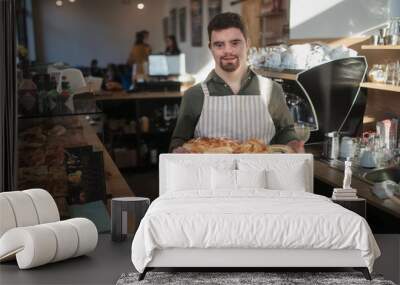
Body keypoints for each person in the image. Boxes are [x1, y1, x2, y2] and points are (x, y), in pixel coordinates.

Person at [170, 12, 304, 153]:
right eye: (219, 45)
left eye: (235, 43)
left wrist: (294, 143)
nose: (228, 51)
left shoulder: (271, 90)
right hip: (211, 174)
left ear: (247, 43)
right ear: (211, 48)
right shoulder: (194, 95)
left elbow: (285, 131)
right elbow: (179, 140)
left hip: (262, 173)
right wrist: (177, 150)